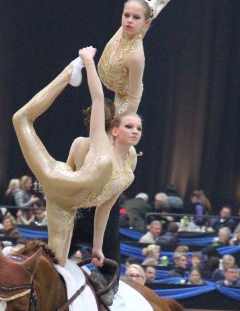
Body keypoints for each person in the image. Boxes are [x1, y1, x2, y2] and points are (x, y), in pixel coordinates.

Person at [12, 46, 142, 267]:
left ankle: (17, 254)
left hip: (65, 207)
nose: (135, 131)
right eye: (129, 126)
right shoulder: (101, 145)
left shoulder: (129, 167)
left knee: (55, 266)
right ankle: (70, 70)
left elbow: (104, 209)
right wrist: (88, 61)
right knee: (21, 119)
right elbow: (99, 98)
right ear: (114, 130)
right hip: (55, 178)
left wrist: (97, 246)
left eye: (139, 128)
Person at [96, 0, 174, 115]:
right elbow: (133, 17)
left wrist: (127, 119)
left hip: (124, 95)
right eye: (126, 15)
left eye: (135, 17)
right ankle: (153, 4)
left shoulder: (136, 56)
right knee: (136, 26)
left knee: (114, 132)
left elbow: (134, 97)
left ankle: (152, 6)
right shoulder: (126, 28)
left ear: (145, 23)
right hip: (114, 76)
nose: (129, 20)